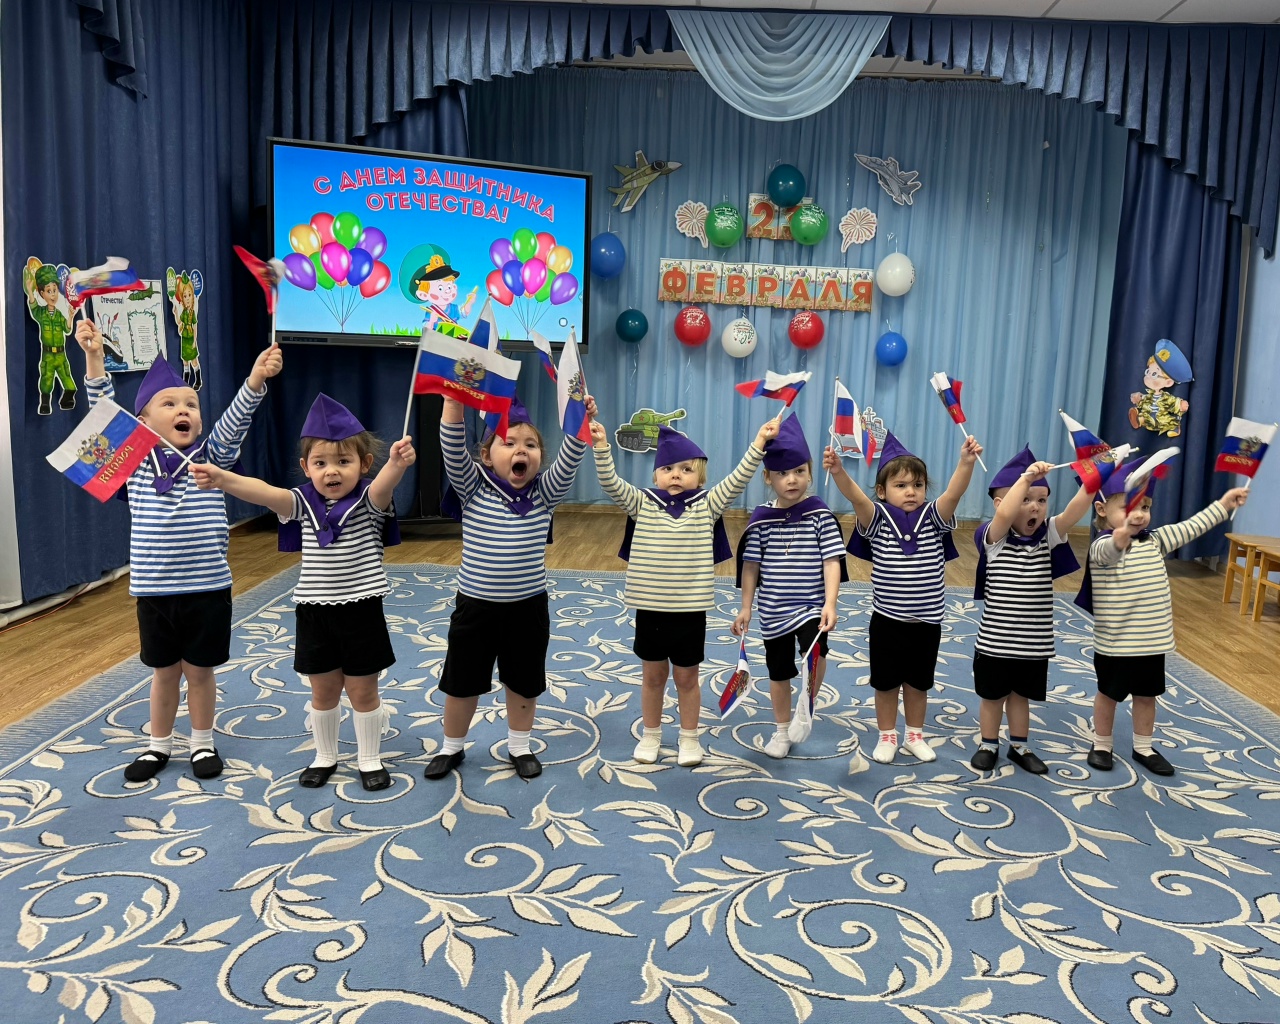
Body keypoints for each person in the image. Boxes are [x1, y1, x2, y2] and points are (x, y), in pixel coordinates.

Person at [74, 319, 281, 783]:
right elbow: (102, 415)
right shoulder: (131, 461)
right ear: (143, 422)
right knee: (164, 672)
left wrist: (255, 380)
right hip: (154, 590)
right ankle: (158, 746)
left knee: (200, 671)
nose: (183, 409)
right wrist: (94, 358)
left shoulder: (212, 458)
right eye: (168, 404)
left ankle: (202, 742)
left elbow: (236, 420)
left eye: (191, 404)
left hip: (207, 587)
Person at [193, 394, 413, 791]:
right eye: (321, 463)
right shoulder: (300, 502)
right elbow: (263, 491)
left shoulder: (369, 501)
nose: (332, 471)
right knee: (323, 690)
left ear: (364, 464)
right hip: (314, 612)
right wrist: (223, 478)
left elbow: (383, 487)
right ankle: (324, 755)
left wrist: (396, 465)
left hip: (361, 611)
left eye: (343, 461)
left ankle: (369, 758)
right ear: (306, 467)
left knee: (363, 690)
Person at [591, 414, 779, 767]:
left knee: (687, 678)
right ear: (656, 476)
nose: (676, 475)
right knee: (652, 677)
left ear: (700, 479)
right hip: (650, 609)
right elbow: (610, 483)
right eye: (667, 469)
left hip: (689, 612)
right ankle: (651, 734)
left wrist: (758, 443)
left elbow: (738, 479)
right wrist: (601, 446)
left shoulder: (707, 505)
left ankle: (689, 738)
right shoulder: (642, 502)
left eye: (686, 469)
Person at [424, 395, 590, 781]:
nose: (521, 450)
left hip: (527, 608)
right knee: (462, 682)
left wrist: (580, 413)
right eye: (509, 442)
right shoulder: (472, 487)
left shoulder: (544, 493)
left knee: (524, 681)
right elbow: (452, 443)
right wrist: (453, 401)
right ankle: (451, 747)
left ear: (540, 457)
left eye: (531, 445)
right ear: (486, 455)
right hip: (475, 607)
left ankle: (519, 745)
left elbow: (571, 456)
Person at [1076, 461, 1248, 776]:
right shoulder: (1102, 545)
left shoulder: (1156, 540)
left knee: (1147, 696)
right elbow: (1109, 551)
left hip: (1152, 643)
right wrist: (1121, 536)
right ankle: (1101, 743)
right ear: (1101, 509)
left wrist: (1224, 504)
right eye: (1129, 507)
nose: (1140, 514)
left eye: (1145, 506)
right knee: (1108, 694)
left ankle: (1143, 746)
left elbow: (1192, 526)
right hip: (1115, 645)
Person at [824, 431, 982, 764]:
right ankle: (887, 735)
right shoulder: (878, 519)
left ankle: (914, 735)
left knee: (918, 684)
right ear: (882, 491)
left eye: (918, 485)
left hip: (927, 622)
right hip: (888, 621)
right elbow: (858, 499)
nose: (911, 491)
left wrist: (966, 463)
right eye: (901, 485)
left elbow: (954, 493)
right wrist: (839, 472)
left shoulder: (933, 517)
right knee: (885, 684)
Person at [970, 446, 1092, 774]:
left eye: (1041, 499)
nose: (1035, 506)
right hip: (995, 644)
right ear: (1002, 503)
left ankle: (1019, 746)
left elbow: (1073, 512)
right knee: (993, 697)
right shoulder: (993, 539)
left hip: (1033, 645)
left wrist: (1093, 480)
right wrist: (1025, 479)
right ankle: (988, 743)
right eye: (1025, 499)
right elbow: (1003, 517)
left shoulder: (1046, 537)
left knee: (1020, 696)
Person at [733, 415, 845, 758]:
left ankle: (807, 703)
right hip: (774, 610)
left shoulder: (820, 515)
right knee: (778, 672)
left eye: (799, 471)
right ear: (768, 477)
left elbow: (832, 562)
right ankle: (781, 731)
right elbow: (751, 567)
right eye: (782, 473)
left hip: (811, 605)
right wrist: (746, 607)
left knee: (816, 651)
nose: (792, 479)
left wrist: (830, 603)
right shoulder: (760, 520)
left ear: (810, 473)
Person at [25, 260, 76, 415]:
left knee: (68, 381)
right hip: (48, 355)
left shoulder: (59, 314)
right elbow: (34, 308)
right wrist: (30, 292)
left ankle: (67, 399)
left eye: (55, 290)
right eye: (49, 291)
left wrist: (71, 316)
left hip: (61, 355)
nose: (53, 294)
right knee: (46, 381)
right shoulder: (41, 314)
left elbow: (67, 329)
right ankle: (45, 404)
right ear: (42, 294)